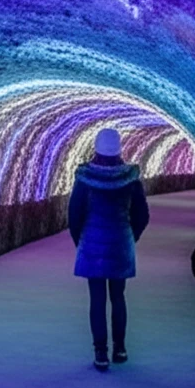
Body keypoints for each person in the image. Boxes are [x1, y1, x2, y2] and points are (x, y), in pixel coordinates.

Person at [68, 127, 150, 371]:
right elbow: (142, 215)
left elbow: (74, 215)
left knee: (97, 299)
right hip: (120, 247)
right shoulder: (131, 179)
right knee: (118, 297)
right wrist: (129, 237)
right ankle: (120, 348)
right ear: (119, 149)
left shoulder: (85, 179)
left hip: (92, 247)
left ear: (96, 148)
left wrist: (81, 241)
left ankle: (101, 353)